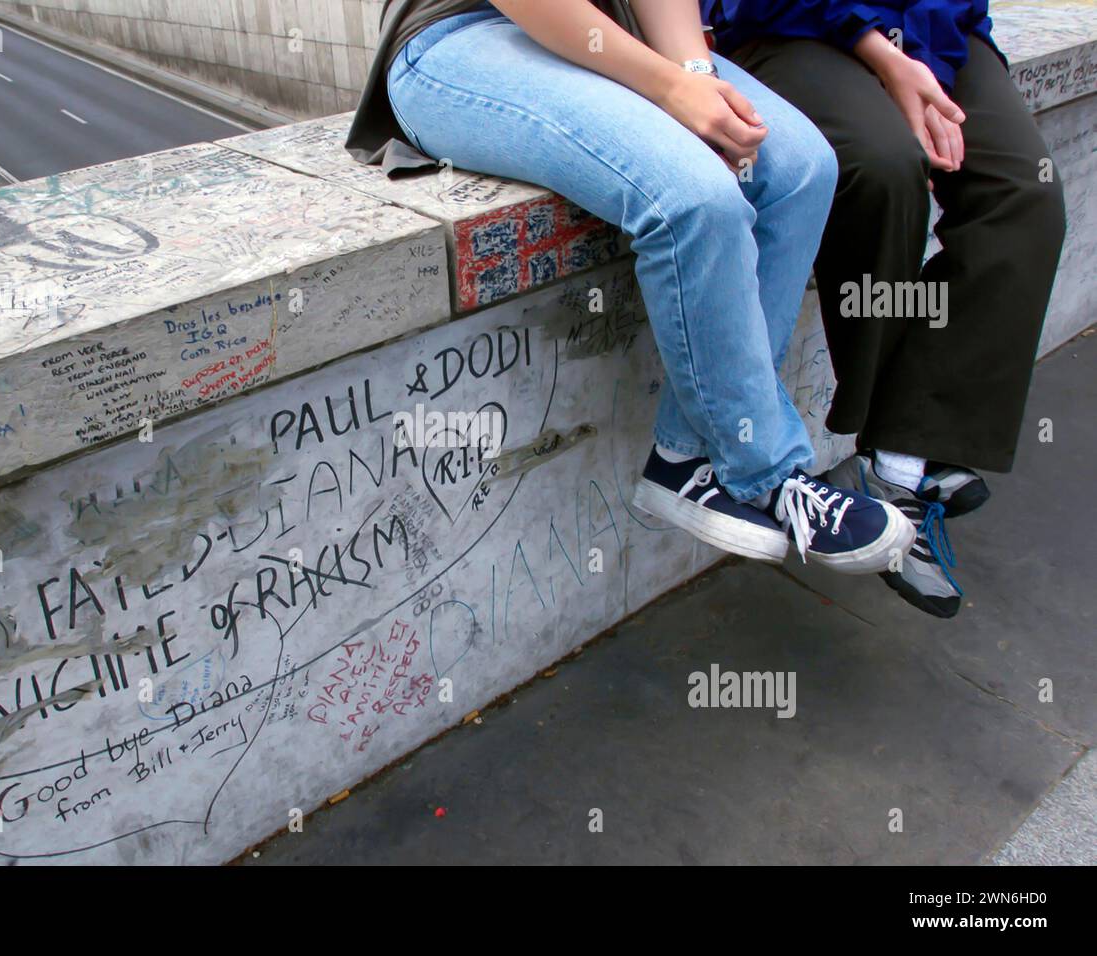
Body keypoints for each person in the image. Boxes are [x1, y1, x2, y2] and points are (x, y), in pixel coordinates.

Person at [346, 0, 916, 572]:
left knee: (801, 168)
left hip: (619, 34)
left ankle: (684, 456)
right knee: (696, 197)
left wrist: (696, 76)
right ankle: (765, 471)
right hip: (462, 35)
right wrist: (668, 87)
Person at [700, 0, 1067, 616]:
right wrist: (881, 54)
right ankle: (900, 462)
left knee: (1024, 193)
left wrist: (924, 50)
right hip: (795, 22)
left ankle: (900, 455)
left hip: (934, 25)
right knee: (883, 164)